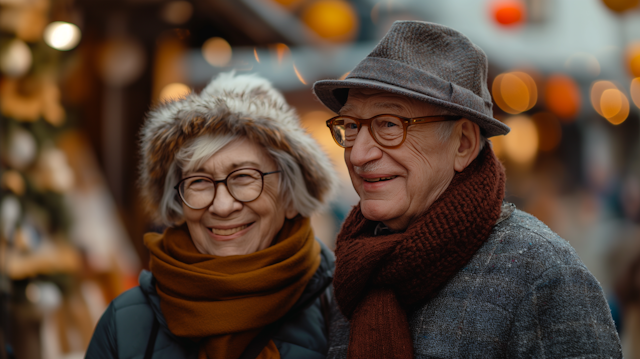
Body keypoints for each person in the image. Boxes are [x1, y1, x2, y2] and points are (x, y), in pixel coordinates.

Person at [312, 21, 622, 359]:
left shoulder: (542, 274)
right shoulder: (347, 273)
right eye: (352, 126)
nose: (358, 154)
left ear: (463, 144)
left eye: (389, 125)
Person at [86, 72, 338, 359]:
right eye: (199, 182)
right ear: (178, 204)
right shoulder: (125, 322)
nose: (222, 206)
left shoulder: (343, 308)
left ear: (290, 197)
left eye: (244, 177)